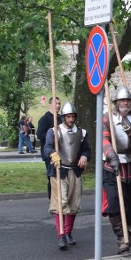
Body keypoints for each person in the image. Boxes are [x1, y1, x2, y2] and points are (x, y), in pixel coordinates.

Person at [102, 87, 131, 254]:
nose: (125, 103)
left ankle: (129, 231)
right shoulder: (107, 118)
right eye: (122, 101)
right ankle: (122, 237)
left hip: (130, 166)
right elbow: (104, 139)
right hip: (112, 167)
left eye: (128, 101)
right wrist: (111, 156)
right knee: (115, 203)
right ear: (116, 103)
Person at [44, 102, 90, 250]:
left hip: (75, 170)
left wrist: (84, 156)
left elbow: (86, 149)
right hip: (59, 170)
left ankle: (68, 232)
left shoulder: (81, 132)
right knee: (60, 203)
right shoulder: (54, 131)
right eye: (68, 117)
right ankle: (61, 235)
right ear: (63, 117)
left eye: (72, 117)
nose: (70, 120)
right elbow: (48, 147)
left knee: (74, 203)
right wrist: (53, 154)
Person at [37, 97, 61, 198]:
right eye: (56, 103)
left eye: (59, 104)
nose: (58, 106)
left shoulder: (61, 118)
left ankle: (61, 199)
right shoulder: (44, 119)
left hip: (61, 152)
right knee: (53, 177)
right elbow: (39, 135)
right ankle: (53, 200)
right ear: (50, 105)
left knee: (62, 177)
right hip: (49, 154)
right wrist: (51, 136)